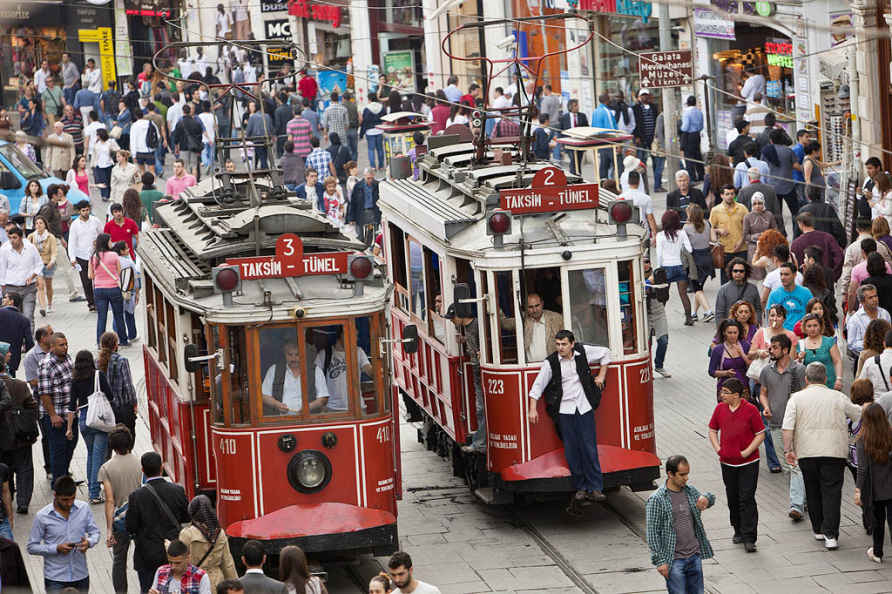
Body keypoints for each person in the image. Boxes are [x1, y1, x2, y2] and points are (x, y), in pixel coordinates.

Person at [783, 362, 862, 549]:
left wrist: (788, 450)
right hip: (834, 452)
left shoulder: (796, 398)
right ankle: (831, 535)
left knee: (812, 490)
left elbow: (787, 427)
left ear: (806, 379)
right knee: (832, 492)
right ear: (826, 378)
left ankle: (818, 528)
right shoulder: (838, 397)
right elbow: (858, 415)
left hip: (807, 452)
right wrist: (853, 438)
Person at [528, 329, 609, 506]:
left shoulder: (583, 352)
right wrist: (532, 409)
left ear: (572, 344)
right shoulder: (550, 362)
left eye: (564, 344)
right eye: (557, 344)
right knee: (571, 450)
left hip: (584, 407)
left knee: (589, 448)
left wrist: (601, 376)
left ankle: (595, 487)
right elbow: (538, 386)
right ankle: (580, 488)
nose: (560, 348)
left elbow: (605, 353)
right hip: (564, 410)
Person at [708, 378, 764, 552]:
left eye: (725, 392)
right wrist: (718, 448)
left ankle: (749, 537)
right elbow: (712, 430)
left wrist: (747, 451)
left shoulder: (751, 410)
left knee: (746, 497)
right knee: (732, 497)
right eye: (721, 391)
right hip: (727, 462)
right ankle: (737, 529)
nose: (721, 395)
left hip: (749, 463)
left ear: (736, 395)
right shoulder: (720, 409)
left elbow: (760, 433)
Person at [645, 455, 715, 593]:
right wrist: (660, 561)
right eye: (682, 474)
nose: (686, 478)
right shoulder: (657, 500)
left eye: (687, 474)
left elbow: (709, 499)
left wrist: (707, 498)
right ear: (670, 474)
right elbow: (652, 533)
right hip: (674, 560)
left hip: (694, 555)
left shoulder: (690, 491)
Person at [757, 332, 807, 518]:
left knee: (794, 465)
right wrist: (765, 406)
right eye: (771, 347)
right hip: (776, 424)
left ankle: (796, 505)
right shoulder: (766, 371)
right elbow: (763, 392)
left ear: (785, 350)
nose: (770, 350)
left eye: (775, 347)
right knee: (788, 467)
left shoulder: (799, 370)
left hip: (797, 426)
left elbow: (805, 394)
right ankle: (803, 498)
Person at [127, 451, 190, 592]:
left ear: (142, 470)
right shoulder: (177, 490)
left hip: (147, 557)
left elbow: (130, 526)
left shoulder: (136, 496)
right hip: (174, 554)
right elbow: (187, 518)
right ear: (162, 467)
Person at [26, 475, 100, 592]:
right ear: (55, 495)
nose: (69, 503)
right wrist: (56, 548)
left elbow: (95, 532)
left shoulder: (84, 509)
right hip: (55, 578)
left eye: (72, 498)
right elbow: (31, 547)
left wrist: (89, 542)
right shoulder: (42, 516)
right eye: (65, 500)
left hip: (80, 575)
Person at [65, 349, 113, 504]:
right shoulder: (98, 375)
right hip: (98, 418)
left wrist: (69, 428)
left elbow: (72, 406)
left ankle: (92, 487)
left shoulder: (75, 380)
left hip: (84, 420)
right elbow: (110, 396)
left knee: (91, 454)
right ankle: (94, 493)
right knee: (98, 456)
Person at [99, 427, 142, 593]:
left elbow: (109, 500)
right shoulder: (140, 463)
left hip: (120, 521)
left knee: (119, 560)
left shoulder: (106, 468)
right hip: (140, 518)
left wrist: (109, 530)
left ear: (112, 446)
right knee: (143, 558)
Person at [0, 342, 37, 514]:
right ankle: (23, 502)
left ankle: (9, 496)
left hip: (3, 437)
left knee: (6, 465)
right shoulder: (20, 385)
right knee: (24, 467)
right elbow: (32, 406)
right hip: (22, 435)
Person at [854, 402, 892, 563]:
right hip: (890, 486)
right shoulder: (890, 434)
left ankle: (877, 552)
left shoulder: (863, 439)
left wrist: (858, 489)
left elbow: (862, 469)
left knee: (877, 522)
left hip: (874, 489)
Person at [178, 495, 237, 591]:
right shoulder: (219, 532)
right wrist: (235, 587)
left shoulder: (187, 534)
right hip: (217, 582)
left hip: (195, 581)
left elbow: (180, 560)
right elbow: (227, 563)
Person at [262, 341, 328, 415]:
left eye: (297, 355)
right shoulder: (274, 369)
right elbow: (264, 395)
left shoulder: (315, 370)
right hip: (281, 419)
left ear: (303, 354)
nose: (293, 359)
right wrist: (276, 404)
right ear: (285, 354)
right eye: (290, 355)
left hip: (309, 419)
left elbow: (323, 398)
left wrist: (309, 407)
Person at [499, 293, 563, 363]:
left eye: (537, 305)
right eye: (530, 307)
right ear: (526, 308)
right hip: (530, 367)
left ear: (542, 304)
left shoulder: (556, 318)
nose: (534, 310)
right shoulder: (523, 319)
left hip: (552, 366)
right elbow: (505, 324)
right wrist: (497, 309)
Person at [89, 233, 128, 347]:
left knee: (102, 317)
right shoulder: (114, 255)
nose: (112, 243)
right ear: (106, 242)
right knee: (118, 315)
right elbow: (120, 272)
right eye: (110, 241)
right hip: (114, 288)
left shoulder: (93, 257)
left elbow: (90, 276)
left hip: (99, 290)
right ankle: (123, 340)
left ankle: (99, 342)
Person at [655, 209, 693, 325]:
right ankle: (689, 318)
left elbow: (659, 254)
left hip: (666, 267)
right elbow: (690, 249)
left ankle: (659, 320)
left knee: (663, 295)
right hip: (680, 266)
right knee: (683, 293)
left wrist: (658, 267)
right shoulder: (682, 233)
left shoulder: (660, 235)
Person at [0, 225, 43, 326]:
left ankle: (29, 340)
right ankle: (18, 341)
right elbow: (1, 269)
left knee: (28, 316)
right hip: (11, 289)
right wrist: (3, 288)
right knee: (14, 318)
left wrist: (32, 276)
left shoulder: (30, 248)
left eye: (14, 238)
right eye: (10, 238)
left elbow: (39, 264)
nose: (12, 241)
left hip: (29, 288)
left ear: (21, 237)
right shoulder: (4, 250)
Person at [99, 330, 138, 437]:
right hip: (122, 408)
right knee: (126, 438)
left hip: (104, 410)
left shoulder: (96, 362)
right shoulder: (122, 361)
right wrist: (134, 403)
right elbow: (128, 386)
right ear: (116, 345)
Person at [68, 201, 103, 312]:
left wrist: (99, 243)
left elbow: (102, 234)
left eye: (87, 210)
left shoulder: (95, 221)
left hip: (96, 255)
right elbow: (71, 242)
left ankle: (99, 302)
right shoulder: (75, 224)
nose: (86, 212)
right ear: (79, 211)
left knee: (98, 280)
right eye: (83, 210)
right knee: (86, 281)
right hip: (81, 256)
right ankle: (91, 303)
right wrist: (72, 258)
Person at [763, 128, 802, 228]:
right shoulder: (788, 151)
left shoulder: (766, 152)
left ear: (771, 140)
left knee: (777, 214)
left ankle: (781, 234)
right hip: (788, 186)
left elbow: (764, 166)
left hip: (773, 187)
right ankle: (797, 234)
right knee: (795, 213)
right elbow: (796, 166)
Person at [710, 185, 749, 283]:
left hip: (741, 249)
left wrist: (741, 242)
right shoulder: (715, 210)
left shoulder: (742, 208)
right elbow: (711, 228)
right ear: (722, 195)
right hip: (725, 250)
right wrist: (718, 231)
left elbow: (748, 228)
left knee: (742, 278)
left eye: (732, 194)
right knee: (725, 279)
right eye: (727, 194)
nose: (730, 196)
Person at [790, 212, 843, 283]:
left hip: (805, 281)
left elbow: (793, 264)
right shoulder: (827, 237)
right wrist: (833, 276)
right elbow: (839, 257)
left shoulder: (796, 243)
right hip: (826, 281)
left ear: (801, 224)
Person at [847, 284, 892, 370]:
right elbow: (851, 343)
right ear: (862, 301)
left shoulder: (885, 314)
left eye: (875, 296)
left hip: (886, 359)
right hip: (865, 361)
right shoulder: (855, 319)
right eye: (870, 298)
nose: (875, 299)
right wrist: (871, 345)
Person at [795, 313, 842, 390]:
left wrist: (839, 379)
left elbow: (837, 361)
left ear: (820, 326)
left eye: (815, 325)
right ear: (805, 328)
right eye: (809, 326)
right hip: (808, 386)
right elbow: (796, 367)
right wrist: (800, 359)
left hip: (829, 384)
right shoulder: (801, 344)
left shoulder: (829, 341)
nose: (812, 329)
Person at [683, 204, 714, 321]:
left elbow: (686, 247)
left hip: (694, 261)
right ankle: (694, 313)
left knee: (696, 289)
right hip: (707, 258)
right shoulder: (707, 224)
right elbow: (712, 240)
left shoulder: (686, 228)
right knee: (699, 287)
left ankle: (708, 311)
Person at [714, 258, 762, 329]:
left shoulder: (753, 288)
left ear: (746, 272)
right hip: (731, 330)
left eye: (741, 271)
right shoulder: (723, 290)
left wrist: (756, 324)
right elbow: (719, 313)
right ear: (731, 272)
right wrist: (721, 330)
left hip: (749, 329)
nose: (738, 273)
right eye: (735, 271)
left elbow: (758, 309)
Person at [709, 319, 751, 400]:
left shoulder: (745, 346)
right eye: (730, 333)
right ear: (724, 333)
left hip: (743, 388)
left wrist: (742, 354)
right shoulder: (718, 350)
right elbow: (711, 371)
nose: (733, 335)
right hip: (724, 390)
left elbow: (751, 366)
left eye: (735, 333)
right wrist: (725, 373)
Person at [765, 263, 813, 330]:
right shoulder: (774, 295)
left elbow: (812, 314)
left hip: (801, 334)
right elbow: (768, 318)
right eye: (781, 274)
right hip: (782, 334)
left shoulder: (806, 292)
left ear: (795, 275)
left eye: (786, 274)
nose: (783, 278)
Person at [644, 259, 671, 377]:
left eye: (647, 262)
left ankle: (659, 366)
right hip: (645, 314)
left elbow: (665, 291)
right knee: (646, 344)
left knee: (663, 341)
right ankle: (647, 368)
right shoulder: (636, 274)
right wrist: (647, 283)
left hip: (659, 312)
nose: (645, 264)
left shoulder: (658, 275)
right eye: (643, 262)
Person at [0, 291, 35, 377]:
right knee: (11, 383)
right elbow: (29, 343)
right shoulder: (24, 320)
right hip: (13, 358)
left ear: (11, 301)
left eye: (5, 297)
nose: (3, 299)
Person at [742, 194, 777, 282]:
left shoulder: (769, 215)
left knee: (769, 276)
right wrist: (755, 237)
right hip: (753, 250)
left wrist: (767, 236)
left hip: (768, 249)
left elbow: (776, 232)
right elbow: (745, 236)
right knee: (754, 277)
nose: (757, 206)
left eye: (760, 203)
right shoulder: (747, 217)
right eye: (754, 204)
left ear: (764, 203)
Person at [29, 215, 58, 318]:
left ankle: (49, 304)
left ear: (45, 224)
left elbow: (54, 251)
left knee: (48, 285)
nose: (38, 225)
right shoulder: (31, 237)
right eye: (36, 223)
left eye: (40, 223)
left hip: (48, 263)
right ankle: (42, 307)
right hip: (37, 264)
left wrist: (52, 261)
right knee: (40, 285)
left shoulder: (50, 237)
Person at [619, 171, 657, 243]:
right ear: (639, 182)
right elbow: (650, 218)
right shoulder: (646, 198)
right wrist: (655, 234)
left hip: (628, 231)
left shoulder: (621, 198)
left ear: (628, 182)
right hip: (643, 229)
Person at [348, 169, 382, 247]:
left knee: (373, 232)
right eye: (368, 178)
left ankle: (371, 248)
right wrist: (351, 218)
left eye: (372, 178)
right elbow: (353, 202)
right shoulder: (358, 186)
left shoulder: (377, 185)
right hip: (362, 213)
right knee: (361, 235)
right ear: (364, 176)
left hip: (373, 213)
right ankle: (363, 248)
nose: (370, 180)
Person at [680, 95, 705, 181]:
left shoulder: (687, 112)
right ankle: (701, 175)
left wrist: (680, 128)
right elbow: (701, 126)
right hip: (697, 135)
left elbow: (685, 127)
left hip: (688, 135)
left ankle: (692, 177)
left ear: (687, 103)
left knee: (689, 157)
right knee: (697, 155)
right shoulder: (699, 112)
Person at [360, 93, 386, 172]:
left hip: (370, 131)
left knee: (371, 149)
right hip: (380, 130)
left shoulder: (367, 109)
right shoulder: (382, 107)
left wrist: (361, 134)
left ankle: (373, 167)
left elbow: (364, 122)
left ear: (369, 99)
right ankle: (381, 166)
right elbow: (385, 118)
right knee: (380, 149)